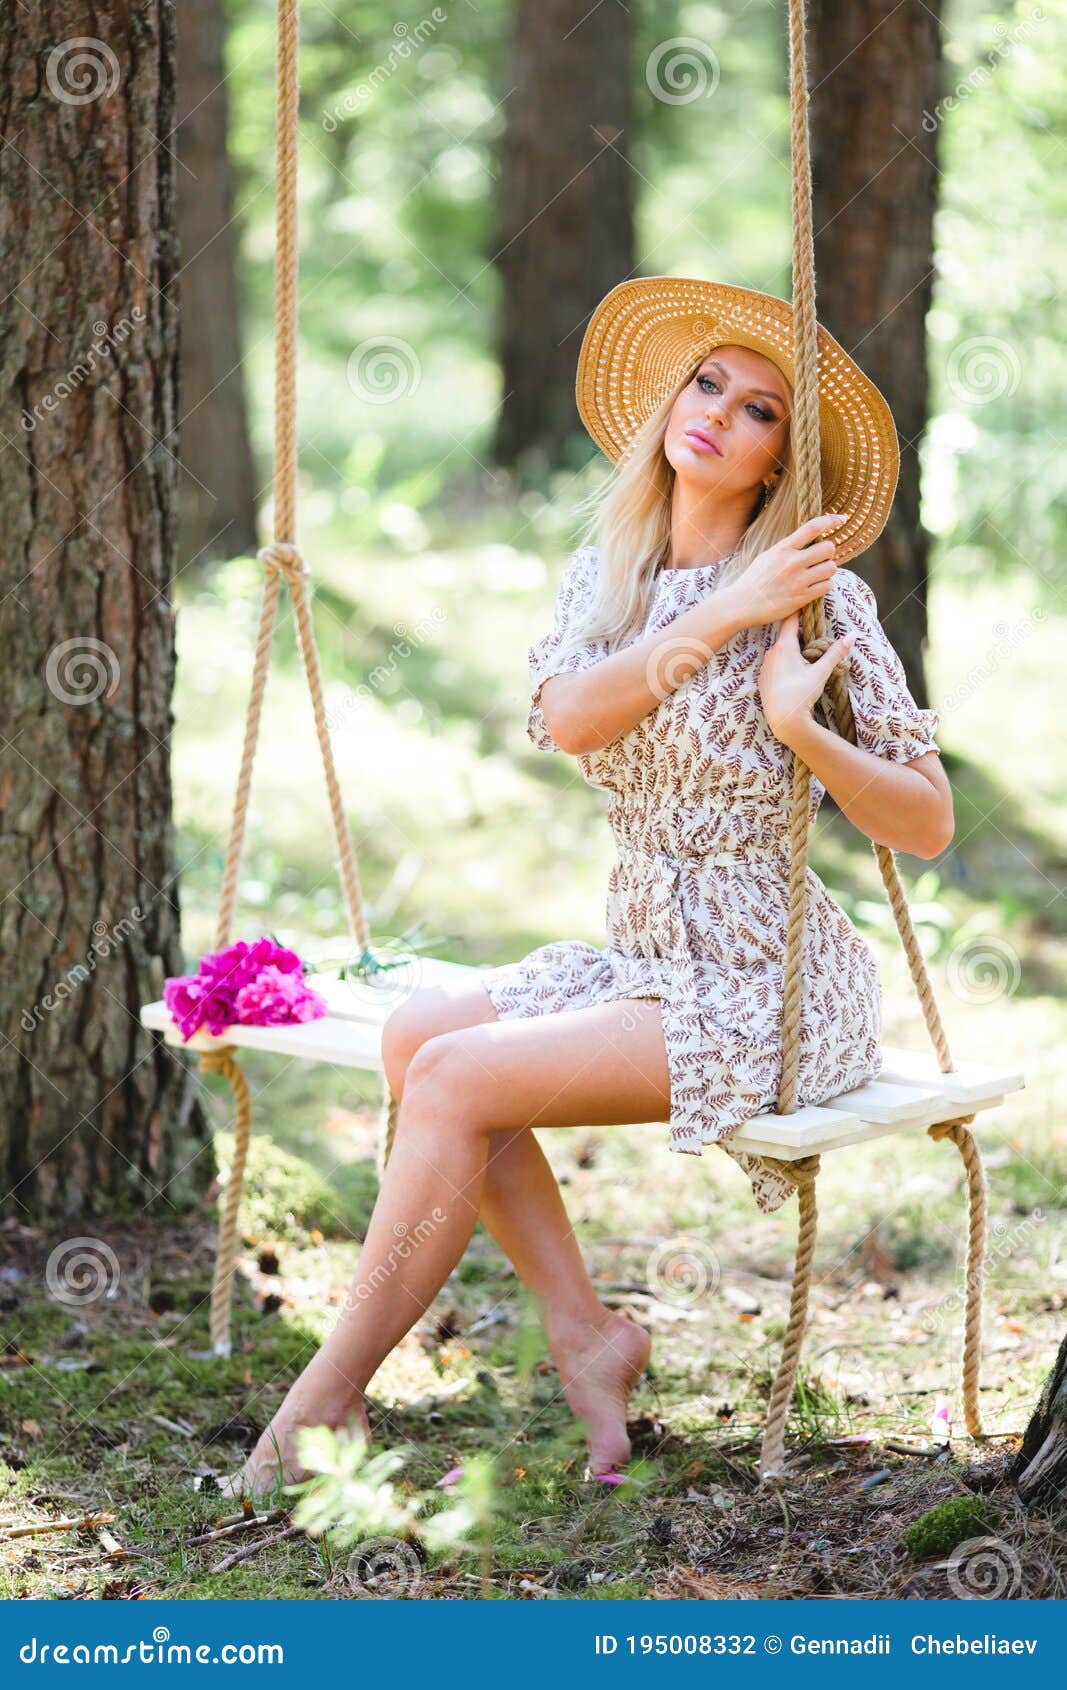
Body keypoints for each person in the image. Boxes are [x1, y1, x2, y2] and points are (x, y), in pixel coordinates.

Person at [223, 277, 952, 1498]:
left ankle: (322, 1405)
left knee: (456, 1078)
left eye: (758, 409)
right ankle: (585, 1331)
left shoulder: (821, 594)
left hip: (764, 980)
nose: (716, 414)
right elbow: (567, 718)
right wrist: (722, 611)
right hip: (644, 955)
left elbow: (924, 819)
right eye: (705, 383)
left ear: (782, 460)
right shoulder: (612, 567)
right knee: (418, 1036)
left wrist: (801, 726)